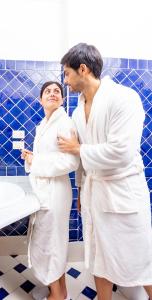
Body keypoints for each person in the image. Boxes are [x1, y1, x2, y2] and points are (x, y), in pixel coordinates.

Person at [57, 43, 152, 300]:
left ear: (83, 69)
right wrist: (79, 190)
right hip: (93, 193)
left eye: (67, 73)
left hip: (123, 194)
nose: (65, 81)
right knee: (98, 256)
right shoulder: (78, 111)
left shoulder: (124, 98)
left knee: (141, 262)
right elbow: (80, 161)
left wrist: (79, 149)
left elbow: (122, 151)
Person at [21, 81, 79, 300]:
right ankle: (59, 289)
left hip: (55, 193)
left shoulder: (64, 123)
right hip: (46, 190)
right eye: (48, 91)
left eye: (57, 91)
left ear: (62, 99)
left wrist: (37, 161)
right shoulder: (44, 123)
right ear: (40, 99)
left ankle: (57, 295)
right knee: (52, 243)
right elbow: (44, 158)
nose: (53, 94)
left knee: (50, 245)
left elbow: (71, 162)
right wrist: (31, 159)